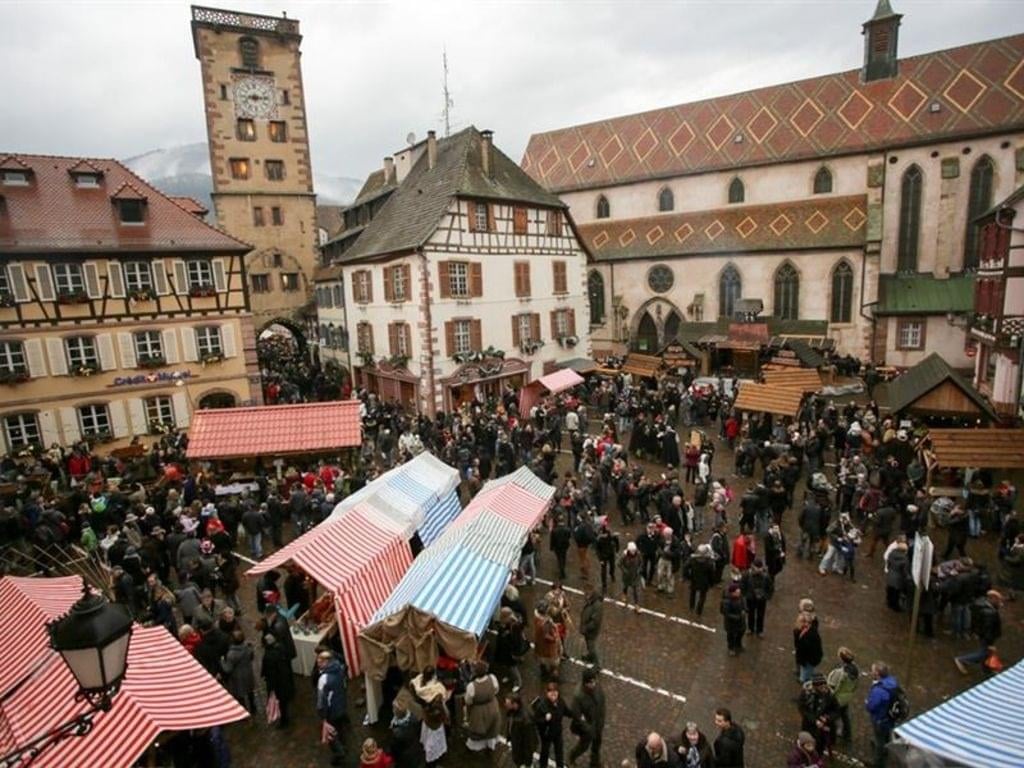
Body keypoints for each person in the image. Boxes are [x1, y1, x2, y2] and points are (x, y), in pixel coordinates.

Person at [954, 589, 1003, 675]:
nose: (999, 602)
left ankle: (987, 669)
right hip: (987, 637)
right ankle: (962, 660)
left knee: (987, 653)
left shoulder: (984, 607)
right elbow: (988, 629)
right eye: (998, 600)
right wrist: (990, 643)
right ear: (992, 599)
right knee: (983, 653)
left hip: (983, 635)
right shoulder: (990, 613)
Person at [315, 650, 348, 767]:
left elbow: (321, 701)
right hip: (341, 705)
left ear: (326, 662)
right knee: (340, 728)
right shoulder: (339, 668)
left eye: (320, 661)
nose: (317, 663)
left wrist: (322, 716)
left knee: (331, 734)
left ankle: (339, 753)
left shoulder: (323, 679)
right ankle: (344, 745)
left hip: (331, 711)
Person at [864, 661, 899, 768]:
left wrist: (867, 702)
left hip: (880, 718)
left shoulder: (879, 690)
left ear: (877, 674)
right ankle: (886, 749)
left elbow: (871, 707)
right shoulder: (892, 682)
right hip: (890, 717)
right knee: (887, 734)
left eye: (873, 671)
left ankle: (878, 763)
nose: (871, 672)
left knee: (879, 739)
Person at [569, 667, 606, 767]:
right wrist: (587, 728)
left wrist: (601, 719)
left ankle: (594, 762)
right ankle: (572, 757)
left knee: (597, 745)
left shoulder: (597, 687)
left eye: (594, 681)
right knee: (583, 746)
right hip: (588, 727)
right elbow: (577, 716)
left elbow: (602, 701)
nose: (594, 684)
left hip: (598, 723)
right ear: (586, 683)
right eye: (591, 682)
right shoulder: (578, 696)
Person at [533, 682, 575, 768]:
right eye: (551, 693)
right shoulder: (542, 706)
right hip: (546, 734)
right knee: (545, 752)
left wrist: (576, 715)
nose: (553, 695)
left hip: (557, 731)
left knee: (559, 751)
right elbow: (536, 720)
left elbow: (566, 711)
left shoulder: (561, 702)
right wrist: (545, 719)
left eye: (555, 692)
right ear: (547, 693)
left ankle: (560, 766)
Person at [797, 673, 839, 755]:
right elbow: (803, 709)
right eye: (821, 687)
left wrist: (827, 718)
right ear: (815, 686)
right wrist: (815, 721)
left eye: (825, 685)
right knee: (806, 744)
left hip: (823, 727)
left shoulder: (829, 694)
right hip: (809, 726)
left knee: (820, 746)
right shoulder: (806, 694)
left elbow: (836, 710)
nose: (824, 688)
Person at [464, 661, 501, 752]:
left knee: (479, 727)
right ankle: (490, 746)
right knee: (491, 727)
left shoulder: (471, 686)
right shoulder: (492, 678)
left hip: (478, 710)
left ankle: (479, 747)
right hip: (492, 706)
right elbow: (496, 690)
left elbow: (468, 701)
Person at [260, 633, 295, 728]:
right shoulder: (281, 648)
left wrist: (271, 688)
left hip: (278, 684)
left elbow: (270, 674)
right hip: (285, 680)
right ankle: (285, 717)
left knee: (281, 703)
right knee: (284, 702)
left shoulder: (269, 656)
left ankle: (284, 721)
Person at [826, 647, 860, 744]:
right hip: (847, 697)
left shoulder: (839, 673)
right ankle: (847, 735)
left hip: (837, 699)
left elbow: (832, 686)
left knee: (833, 717)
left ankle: (832, 738)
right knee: (845, 716)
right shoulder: (855, 670)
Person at [220, 629, 256, 714]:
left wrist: (222, 661)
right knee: (250, 691)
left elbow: (228, 669)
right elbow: (251, 657)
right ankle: (253, 707)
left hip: (237, 677)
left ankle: (243, 711)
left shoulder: (231, 654)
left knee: (240, 694)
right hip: (248, 673)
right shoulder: (248, 648)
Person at [740, 557, 774, 637]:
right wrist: (746, 595)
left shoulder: (766, 576)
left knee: (760, 615)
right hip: (750, 599)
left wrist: (766, 596)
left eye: (760, 568)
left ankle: (759, 630)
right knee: (750, 614)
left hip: (761, 600)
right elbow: (742, 586)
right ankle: (750, 628)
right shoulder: (746, 575)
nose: (758, 570)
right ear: (752, 566)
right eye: (757, 568)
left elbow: (770, 588)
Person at [504, 693, 537, 768]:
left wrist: (527, 762)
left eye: (508, 703)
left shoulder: (525, 721)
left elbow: (529, 743)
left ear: (515, 704)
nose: (505, 705)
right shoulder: (512, 712)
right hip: (517, 747)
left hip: (522, 753)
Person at [794, 609, 823, 683]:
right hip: (810, 659)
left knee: (805, 674)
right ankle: (805, 678)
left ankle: (804, 681)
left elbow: (804, 651)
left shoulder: (809, 636)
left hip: (809, 660)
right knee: (807, 670)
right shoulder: (809, 630)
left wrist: (801, 661)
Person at [686, 543, 716, 616]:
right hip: (704, 582)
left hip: (694, 579)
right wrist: (712, 583)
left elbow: (686, 567)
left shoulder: (693, 559)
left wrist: (688, 576)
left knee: (693, 593)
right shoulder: (709, 562)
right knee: (702, 596)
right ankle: (699, 611)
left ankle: (691, 607)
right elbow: (711, 574)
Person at [721, 583, 746, 656]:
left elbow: (743, 604)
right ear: (732, 593)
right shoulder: (726, 601)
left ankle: (738, 645)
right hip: (731, 623)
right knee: (731, 636)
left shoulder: (740, 597)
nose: (739, 593)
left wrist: (744, 609)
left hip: (741, 621)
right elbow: (726, 613)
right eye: (737, 592)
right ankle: (731, 648)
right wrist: (737, 617)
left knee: (741, 632)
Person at [580, 589, 604, 664]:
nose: (586, 597)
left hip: (591, 631)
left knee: (591, 646)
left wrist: (586, 628)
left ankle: (597, 663)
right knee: (588, 644)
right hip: (588, 629)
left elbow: (595, 622)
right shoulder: (592, 602)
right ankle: (590, 656)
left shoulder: (597, 606)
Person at [620, 542, 643, 612]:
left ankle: (636, 605)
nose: (633, 552)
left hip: (635, 575)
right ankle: (624, 594)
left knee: (635, 590)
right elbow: (619, 564)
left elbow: (641, 563)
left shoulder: (638, 554)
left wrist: (639, 570)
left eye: (634, 550)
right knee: (625, 586)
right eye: (632, 551)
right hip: (627, 575)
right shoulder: (624, 556)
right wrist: (624, 570)